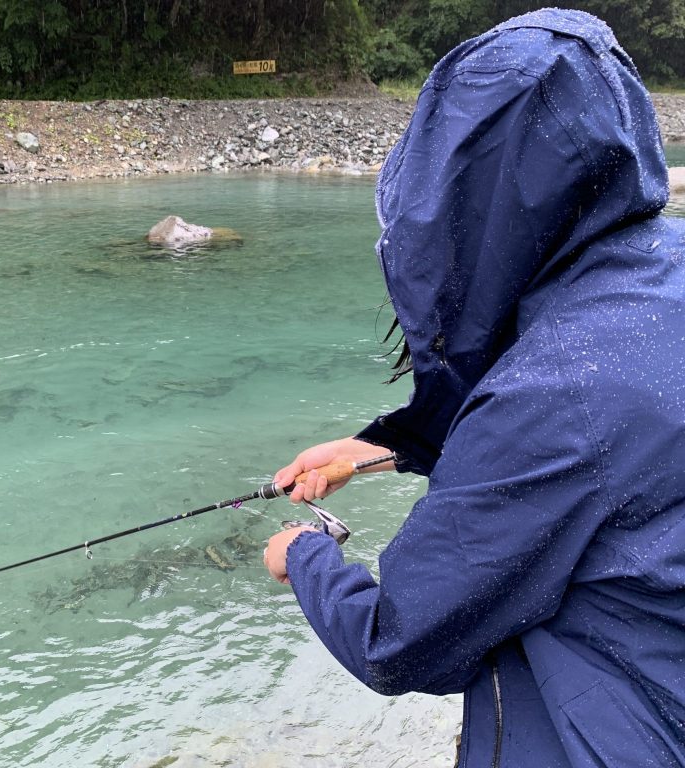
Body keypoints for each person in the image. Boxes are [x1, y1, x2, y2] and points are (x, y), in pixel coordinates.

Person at [263, 8, 685, 767]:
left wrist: (303, 556)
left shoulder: (556, 396)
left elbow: (401, 639)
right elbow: (603, 450)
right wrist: (376, 451)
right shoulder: (662, 272)